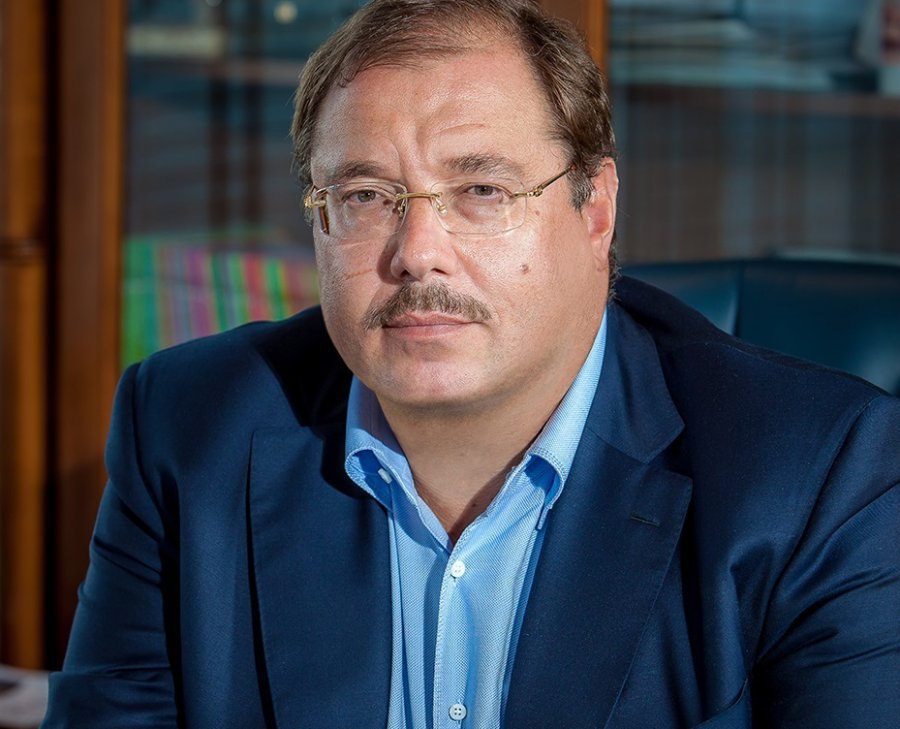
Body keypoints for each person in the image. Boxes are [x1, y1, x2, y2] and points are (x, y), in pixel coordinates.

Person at [43, 1, 900, 727]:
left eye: (481, 191)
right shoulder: (190, 430)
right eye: (365, 196)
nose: (418, 251)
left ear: (595, 212)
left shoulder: (818, 477)